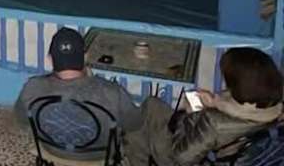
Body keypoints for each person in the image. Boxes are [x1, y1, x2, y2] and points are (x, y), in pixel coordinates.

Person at [124, 47, 284, 166]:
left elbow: (181, 157)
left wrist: (192, 112)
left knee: (149, 109)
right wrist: (215, 103)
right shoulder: (274, 108)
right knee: (153, 107)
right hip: (224, 149)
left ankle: (135, 160)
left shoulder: (214, 122)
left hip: (182, 154)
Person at [14, 28, 142, 160]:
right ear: (85, 57)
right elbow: (134, 124)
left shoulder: (32, 87)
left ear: (50, 59)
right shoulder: (112, 92)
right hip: (98, 157)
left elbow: (22, 119)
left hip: (51, 151)